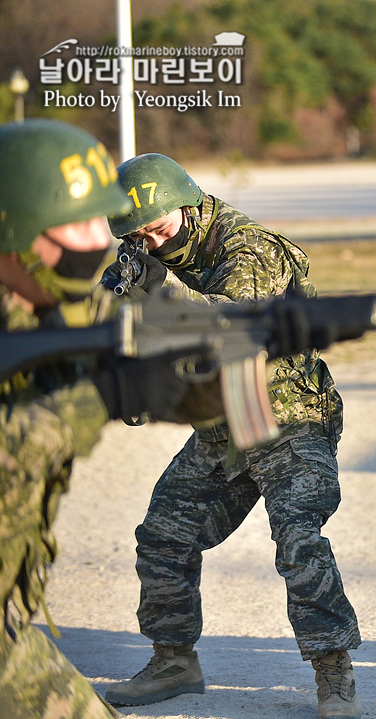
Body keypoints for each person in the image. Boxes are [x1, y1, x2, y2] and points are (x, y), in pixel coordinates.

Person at [99, 153, 362, 719]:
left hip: (289, 418)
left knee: (299, 541)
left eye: (159, 228)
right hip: (222, 426)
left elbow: (229, 322)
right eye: (137, 233)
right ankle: (173, 662)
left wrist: (157, 293)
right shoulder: (147, 256)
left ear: (189, 206)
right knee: (164, 535)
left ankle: (334, 674)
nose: (151, 241)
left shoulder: (249, 247)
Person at [0, 119, 191, 719]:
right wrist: (102, 397)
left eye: (97, 223)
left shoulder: (46, 306)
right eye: (72, 224)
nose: (93, 241)